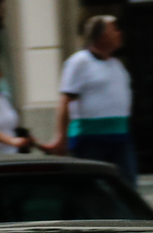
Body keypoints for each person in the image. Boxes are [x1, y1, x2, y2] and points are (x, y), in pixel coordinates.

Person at [50, 13, 136, 184]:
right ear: (102, 35)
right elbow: (65, 101)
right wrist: (61, 137)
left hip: (120, 137)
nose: (119, 33)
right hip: (91, 139)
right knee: (92, 186)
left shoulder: (117, 65)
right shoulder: (79, 62)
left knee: (127, 185)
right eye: (115, 30)